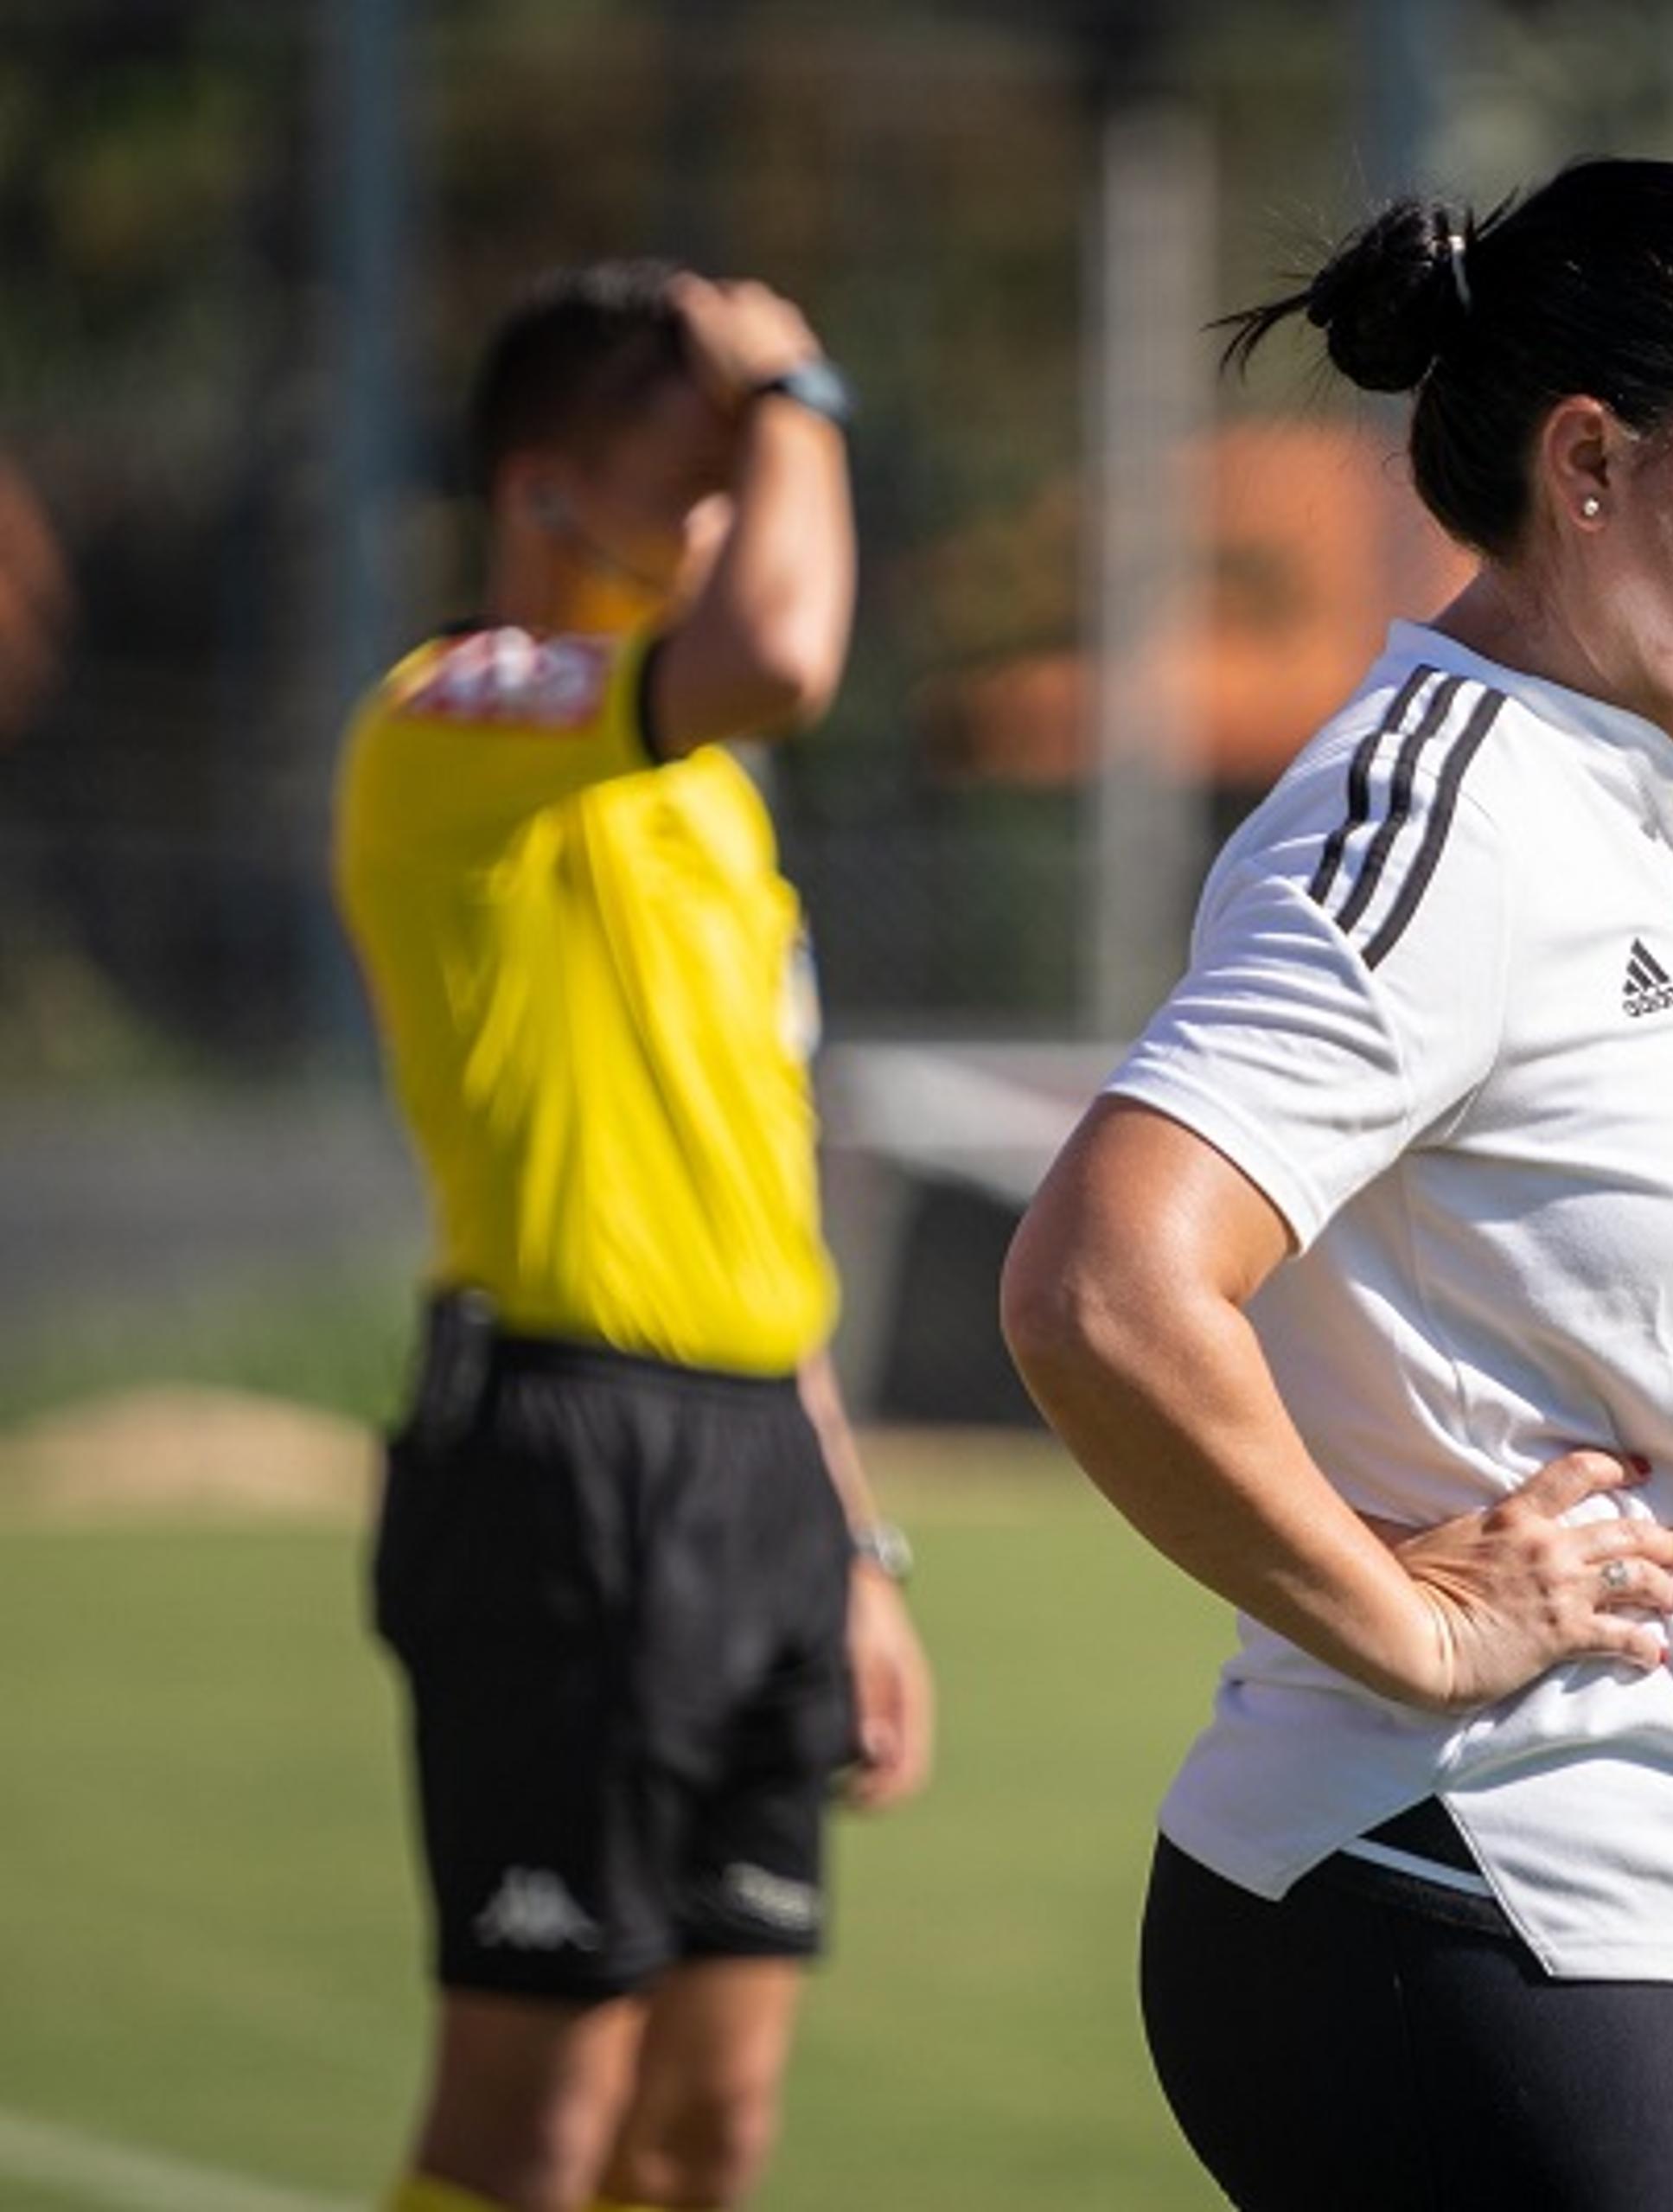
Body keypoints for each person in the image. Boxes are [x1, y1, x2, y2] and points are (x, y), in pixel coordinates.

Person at [999, 158, 1673, 2209]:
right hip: (1470, 1881)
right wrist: (1413, 1631)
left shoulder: (1646, 792)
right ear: (1590, 460)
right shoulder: (1436, 816)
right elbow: (1102, 1286)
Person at [332, 261, 935, 2212]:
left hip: (757, 1458)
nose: (740, 511)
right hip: (564, 1460)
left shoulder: (711, 813)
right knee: (536, 2131)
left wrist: (848, 1541)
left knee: (703, 2140)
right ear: (541, 493)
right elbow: (782, 646)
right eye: (705, 471)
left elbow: (749, 1190)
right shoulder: (459, 715)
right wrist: (803, 382)